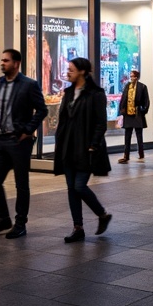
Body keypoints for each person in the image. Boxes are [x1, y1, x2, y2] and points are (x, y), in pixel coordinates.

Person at [0, 48, 47, 238]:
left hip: (18, 140)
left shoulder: (29, 85)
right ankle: (3, 219)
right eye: (1, 60)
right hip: (0, 140)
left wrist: (28, 130)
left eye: (6, 61)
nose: (2, 63)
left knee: (21, 183)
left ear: (16, 64)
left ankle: (20, 223)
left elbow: (42, 110)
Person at [53, 57, 112, 243]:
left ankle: (102, 214)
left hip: (86, 148)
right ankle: (77, 227)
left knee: (79, 186)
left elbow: (101, 123)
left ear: (82, 72)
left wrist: (93, 144)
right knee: (71, 188)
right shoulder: (68, 92)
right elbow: (64, 119)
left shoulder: (96, 94)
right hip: (68, 147)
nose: (68, 72)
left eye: (71, 69)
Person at [116, 69, 149, 163]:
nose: (132, 78)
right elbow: (123, 98)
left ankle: (141, 153)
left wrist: (143, 110)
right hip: (128, 114)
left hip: (137, 114)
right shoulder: (127, 86)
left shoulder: (142, 87)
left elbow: (146, 101)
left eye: (133, 76)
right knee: (127, 135)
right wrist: (122, 110)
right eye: (131, 76)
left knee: (139, 135)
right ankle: (126, 155)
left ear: (137, 77)